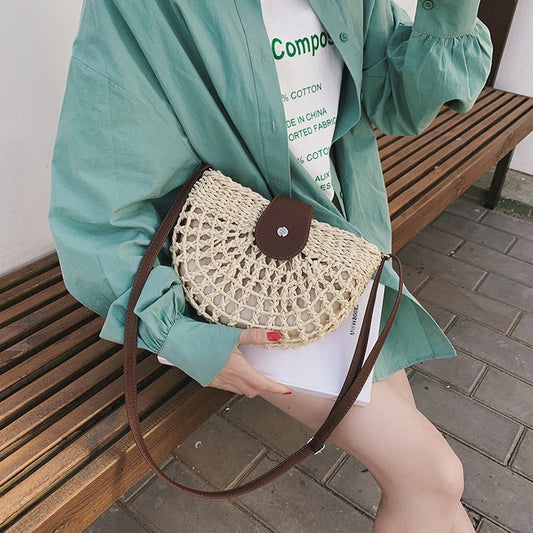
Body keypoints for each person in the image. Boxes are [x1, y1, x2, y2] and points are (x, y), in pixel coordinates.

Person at [49, 0, 492, 530]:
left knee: (424, 477)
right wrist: (177, 332)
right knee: (432, 475)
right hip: (232, 284)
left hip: (338, 256)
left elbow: (400, 103)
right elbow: (101, 194)